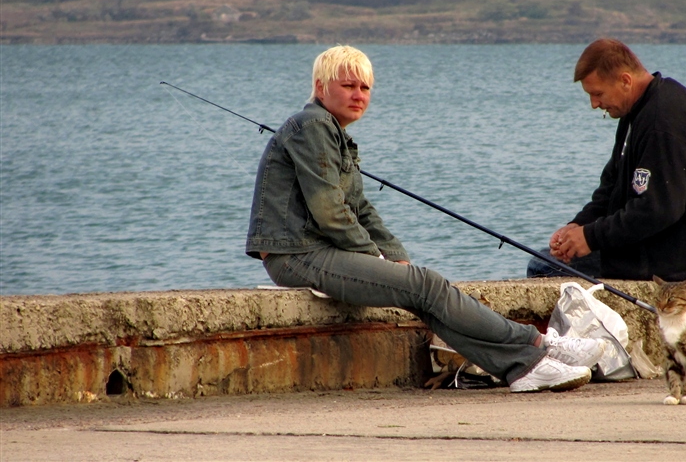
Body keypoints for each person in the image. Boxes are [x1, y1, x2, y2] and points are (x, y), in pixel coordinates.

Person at [247, 45, 605, 393]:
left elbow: (359, 207)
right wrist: (375, 257)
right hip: (296, 255)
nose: (359, 95)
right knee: (426, 285)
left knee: (422, 292)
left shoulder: (333, 132)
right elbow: (330, 212)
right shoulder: (312, 125)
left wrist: (393, 253)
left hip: (314, 252)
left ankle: (525, 367)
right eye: (348, 85)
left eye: (365, 87)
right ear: (322, 88)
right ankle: (541, 344)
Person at [527, 38, 686, 282]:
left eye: (598, 94)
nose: (594, 104)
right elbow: (611, 188)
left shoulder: (663, 122)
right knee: (548, 258)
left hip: (682, 259)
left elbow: (657, 210)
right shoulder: (637, 111)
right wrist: (578, 226)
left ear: (625, 80)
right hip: (663, 246)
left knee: (543, 266)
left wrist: (591, 238)